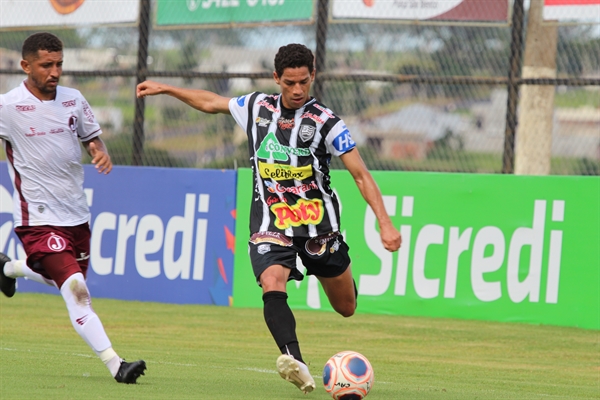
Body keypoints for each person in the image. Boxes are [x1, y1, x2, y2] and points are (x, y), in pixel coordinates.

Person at [136, 43, 401, 393]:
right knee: (272, 281)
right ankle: (295, 361)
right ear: (276, 78)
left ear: (313, 76)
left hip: (319, 229)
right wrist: (168, 88)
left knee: (346, 307)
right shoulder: (256, 107)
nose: (296, 90)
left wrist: (384, 221)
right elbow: (210, 101)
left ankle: (338, 281)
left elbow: (361, 175)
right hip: (270, 224)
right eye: (289, 82)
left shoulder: (327, 122)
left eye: (303, 82)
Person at [0, 32, 146, 384]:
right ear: (26, 66)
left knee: (58, 278)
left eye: (59, 64)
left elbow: (90, 136)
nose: (54, 72)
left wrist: (99, 150)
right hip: (36, 217)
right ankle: (116, 364)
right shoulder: (8, 107)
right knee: (77, 290)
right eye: (46, 65)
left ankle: (8, 270)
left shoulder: (73, 100)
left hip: (76, 214)